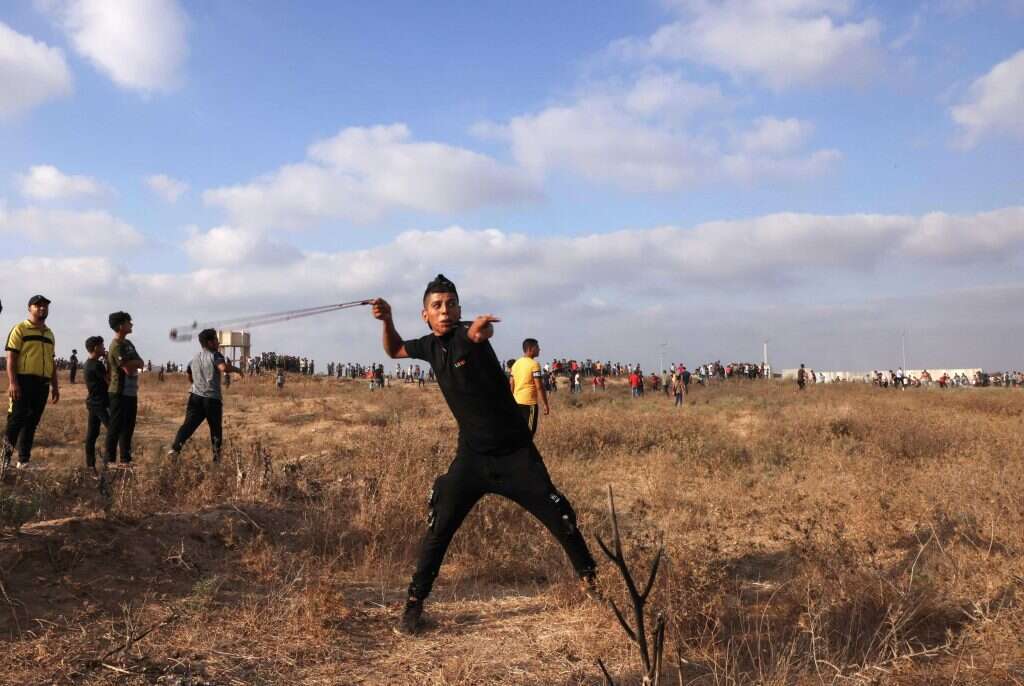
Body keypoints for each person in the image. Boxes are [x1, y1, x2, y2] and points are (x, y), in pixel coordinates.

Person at [372, 274, 596, 635]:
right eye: (436, 306)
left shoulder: (468, 335)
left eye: (451, 305)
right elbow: (394, 350)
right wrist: (387, 320)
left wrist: (480, 330)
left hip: (515, 456)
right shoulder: (429, 346)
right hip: (472, 458)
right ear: (425, 315)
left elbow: (479, 334)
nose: (445, 311)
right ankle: (414, 605)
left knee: (561, 518)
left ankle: (594, 586)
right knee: (439, 526)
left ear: (459, 309)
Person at [3, 295, 59, 469]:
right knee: (15, 421)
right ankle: (4, 461)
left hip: (42, 383)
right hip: (23, 381)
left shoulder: (49, 334)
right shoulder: (20, 329)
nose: (42, 308)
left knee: (32, 423)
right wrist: (13, 383)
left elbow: (51, 361)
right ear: (29, 308)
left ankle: (24, 461)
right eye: (38, 305)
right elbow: (11, 358)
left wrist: (55, 386)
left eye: (45, 306)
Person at [169, 329, 241, 461]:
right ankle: (216, 460)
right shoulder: (215, 355)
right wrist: (237, 370)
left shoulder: (194, 358)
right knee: (215, 430)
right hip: (212, 399)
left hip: (195, 397)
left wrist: (196, 384)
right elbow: (223, 368)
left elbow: (189, 374)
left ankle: (175, 449)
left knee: (188, 426)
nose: (218, 342)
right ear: (210, 342)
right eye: (216, 339)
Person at [105, 312, 144, 465]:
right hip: (119, 392)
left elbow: (141, 362)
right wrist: (134, 363)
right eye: (129, 322)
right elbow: (127, 369)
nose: (131, 324)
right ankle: (109, 461)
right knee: (115, 427)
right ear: (121, 326)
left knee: (129, 427)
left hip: (131, 392)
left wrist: (133, 362)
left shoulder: (128, 344)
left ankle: (125, 460)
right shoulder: (116, 346)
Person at [510, 338, 550, 437]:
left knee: (520, 432)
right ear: (530, 349)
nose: (539, 349)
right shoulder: (534, 364)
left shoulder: (516, 364)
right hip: (529, 404)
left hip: (517, 403)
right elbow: (539, 386)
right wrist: (545, 404)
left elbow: (511, 384)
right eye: (537, 347)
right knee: (529, 434)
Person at [82, 336, 109, 472]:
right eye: (102, 346)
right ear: (96, 348)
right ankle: (109, 461)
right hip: (100, 403)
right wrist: (109, 362)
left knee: (92, 435)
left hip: (93, 402)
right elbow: (109, 381)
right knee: (113, 429)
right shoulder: (97, 365)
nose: (104, 348)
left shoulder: (88, 363)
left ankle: (90, 465)